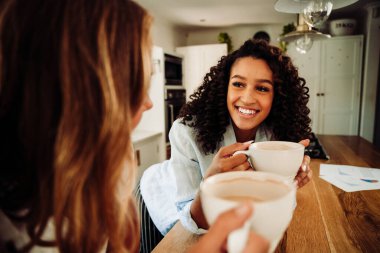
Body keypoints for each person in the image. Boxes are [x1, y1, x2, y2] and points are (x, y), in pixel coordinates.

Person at [0, 0, 268, 252]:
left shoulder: (103, 170)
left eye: (263, 88)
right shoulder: (19, 227)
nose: (148, 102)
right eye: (131, 82)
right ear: (73, 90)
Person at [140, 39, 313, 241]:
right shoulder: (186, 133)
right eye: (238, 84)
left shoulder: (279, 133)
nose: (247, 98)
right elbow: (192, 223)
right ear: (224, 87)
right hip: (161, 194)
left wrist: (289, 179)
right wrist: (210, 184)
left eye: (263, 88)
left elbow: (271, 208)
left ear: (278, 96)